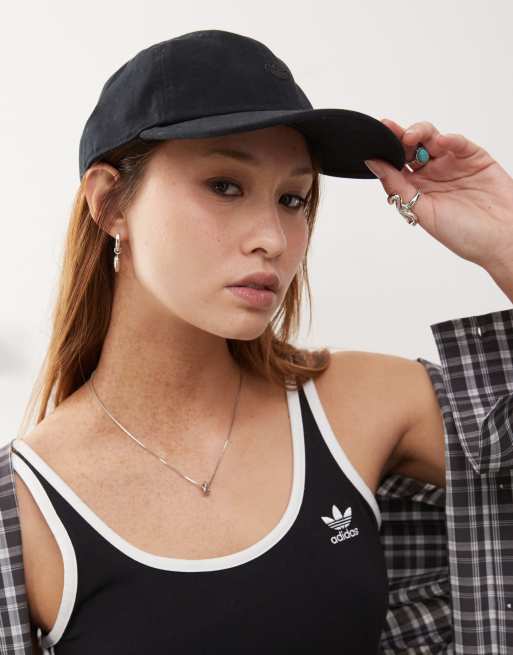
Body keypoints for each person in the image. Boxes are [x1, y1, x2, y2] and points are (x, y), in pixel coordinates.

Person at [2, 29, 513, 654]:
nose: (272, 237)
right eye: (225, 185)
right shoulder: (25, 511)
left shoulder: (361, 406)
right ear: (110, 204)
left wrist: (506, 242)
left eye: (293, 198)